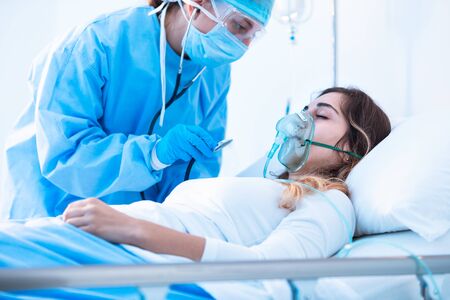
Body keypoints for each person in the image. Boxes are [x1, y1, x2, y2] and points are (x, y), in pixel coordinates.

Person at [0, 88, 391, 299]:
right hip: (106, 242)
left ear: (356, 144)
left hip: (128, 252)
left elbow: (271, 267)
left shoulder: (332, 203)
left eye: (320, 115)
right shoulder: (268, 185)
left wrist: (132, 229)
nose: (299, 120)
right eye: (303, 109)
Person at [0, 0, 274, 220]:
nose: (244, 44)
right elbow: (66, 156)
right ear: (197, 3)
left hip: (135, 234)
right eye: (239, 25)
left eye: (253, 34)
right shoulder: (96, 43)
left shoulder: (213, 72)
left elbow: (198, 171)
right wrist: (153, 155)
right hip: (54, 218)